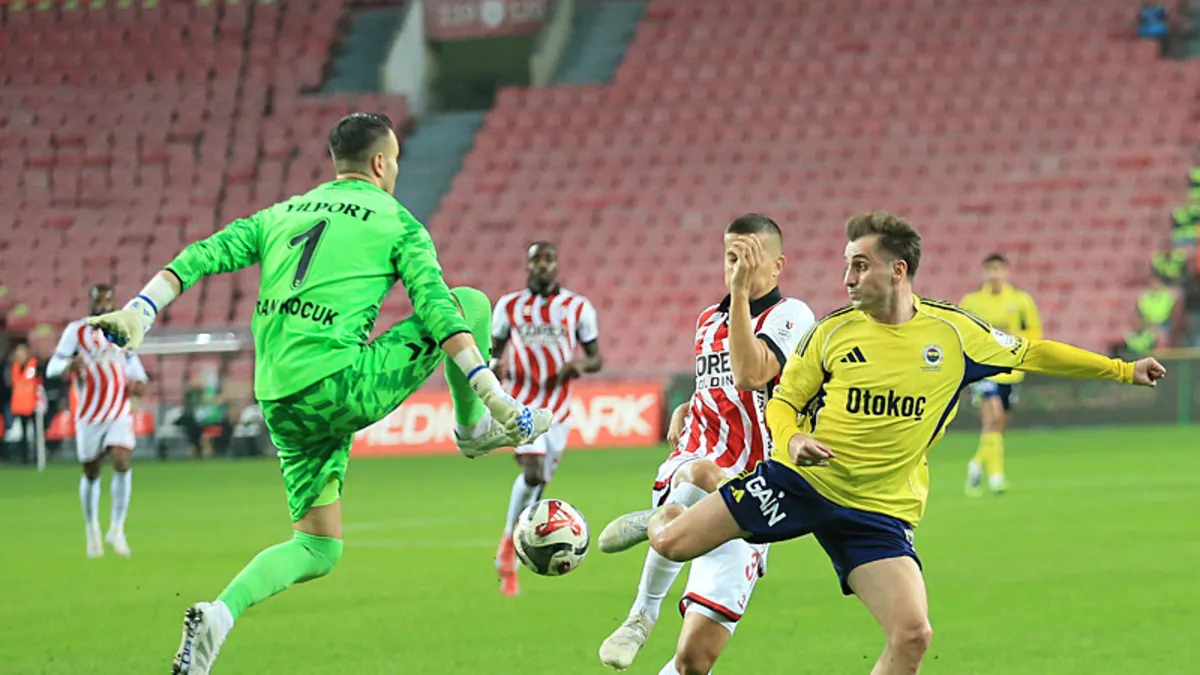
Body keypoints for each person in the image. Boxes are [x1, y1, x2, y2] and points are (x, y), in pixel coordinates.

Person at [597, 212, 1166, 675]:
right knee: (672, 544)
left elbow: (1034, 352)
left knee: (913, 635)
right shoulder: (831, 333)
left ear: (897, 270)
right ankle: (664, 513)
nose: (846, 279)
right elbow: (782, 402)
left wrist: (1122, 370)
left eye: (859, 266)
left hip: (876, 508)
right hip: (800, 482)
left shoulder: (953, 334)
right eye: (846, 265)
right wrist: (791, 441)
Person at [86, 112, 554, 675]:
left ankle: (219, 615)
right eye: (397, 160)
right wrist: (494, 395)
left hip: (279, 400)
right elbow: (437, 308)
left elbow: (204, 253)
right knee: (472, 300)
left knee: (318, 546)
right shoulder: (398, 222)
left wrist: (142, 310)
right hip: (341, 386)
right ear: (381, 162)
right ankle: (471, 428)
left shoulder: (283, 212)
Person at [598, 214, 815, 674]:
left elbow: (751, 374)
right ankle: (641, 615)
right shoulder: (706, 321)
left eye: (750, 258)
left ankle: (659, 522)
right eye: (731, 256)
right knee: (698, 474)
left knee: (695, 660)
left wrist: (738, 294)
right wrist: (689, 407)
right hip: (697, 459)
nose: (737, 268)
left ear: (778, 266)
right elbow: (717, 386)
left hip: (752, 487)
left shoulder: (793, 315)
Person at [491, 241, 603, 596]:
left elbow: (596, 358)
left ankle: (510, 544)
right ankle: (509, 547)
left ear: (557, 265)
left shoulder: (578, 307)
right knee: (533, 471)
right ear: (527, 266)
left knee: (539, 482)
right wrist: (496, 367)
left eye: (548, 259)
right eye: (535, 259)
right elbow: (492, 353)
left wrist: (579, 365)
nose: (542, 265)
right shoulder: (509, 306)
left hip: (559, 413)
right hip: (520, 406)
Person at [46, 284, 148, 557]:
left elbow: (134, 364)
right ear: (91, 303)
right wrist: (68, 366)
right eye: (98, 301)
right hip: (89, 413)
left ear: (114, 302)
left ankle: (117, 528)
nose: (103, 305)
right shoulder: (77, 331)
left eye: (107, 301)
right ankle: (91, 528)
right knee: (91, 471)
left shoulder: (123, 329)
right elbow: (52, 366)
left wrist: (140, 382)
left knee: (122, 460)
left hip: (118, 409)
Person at [959, 254, 1042, 496]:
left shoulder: (1021, 300)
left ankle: (976, 464)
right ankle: (997, 478)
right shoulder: (972, 302)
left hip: (1011, 371)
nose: (995, 274)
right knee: (992, 418)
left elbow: (1035, 331)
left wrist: (1011, 335)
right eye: (990, 270)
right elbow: (962, 332)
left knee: (998, 426)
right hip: (983, 369)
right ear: (984, 273)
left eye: (999, 269)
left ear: (1006, 272)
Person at [6, 342, 41, 464]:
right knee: (24, 433)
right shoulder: (14, 367)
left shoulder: (34, 365)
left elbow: (38, 383)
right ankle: (25, 457)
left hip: (32, 404)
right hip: (20, 405)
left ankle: (38, 456)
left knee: (37, 432)